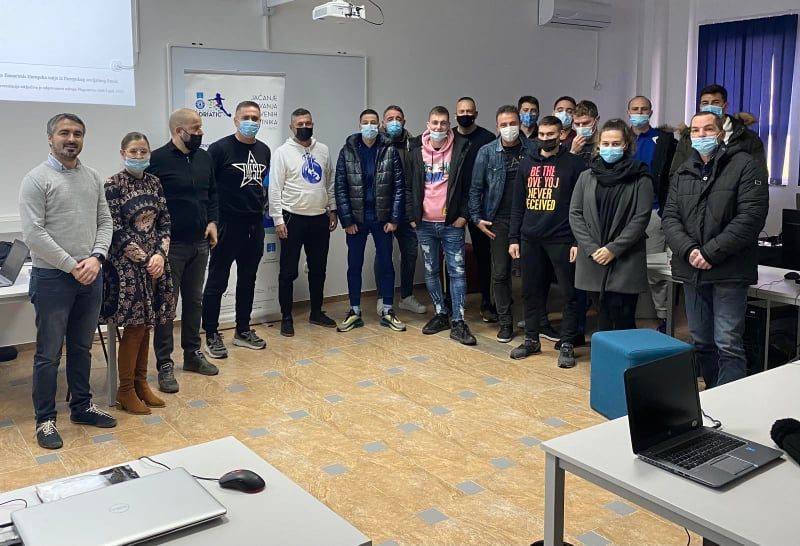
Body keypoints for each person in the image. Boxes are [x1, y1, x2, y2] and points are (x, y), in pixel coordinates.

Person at [19, 113, 117, 449]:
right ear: (50, 138)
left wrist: (97, 257)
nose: (71, 139)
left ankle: (82, 407)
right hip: (52, 278)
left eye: (77, 133)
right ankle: (45, 420)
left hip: (91, 274)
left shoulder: (92, 177)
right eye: (64, 133)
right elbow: (34, 234)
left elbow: (105, 222)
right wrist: (72, 265)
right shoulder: (36, 179)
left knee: (82, 347)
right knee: (48, 354)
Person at [662, 111, 768, 388]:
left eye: (708, 129)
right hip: (691, 269)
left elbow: (751, 217)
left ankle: (731, 403)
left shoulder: (745, 165)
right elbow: (670, 217)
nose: (701, 135)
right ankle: (712, 393)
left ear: (721, 134)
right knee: (701, 340)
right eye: (695, 130)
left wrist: (710, 253)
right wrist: (689, 250)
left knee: (728, 342)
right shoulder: (684, 171)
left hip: (729, 269)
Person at [101, 132, 175, 414]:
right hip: (127, 266)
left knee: (147, 325)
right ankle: (125, 390)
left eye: (143, 151)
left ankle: (141, 384)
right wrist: (145, 259)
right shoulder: (113, 185)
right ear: (123, 153)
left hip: (155, 262)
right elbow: (115, 229)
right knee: (134, 328)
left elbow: (165, 222)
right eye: (133, 151)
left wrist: (159, 255)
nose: (139, 156)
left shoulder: (155, 182)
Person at [148, 108, 220, 392]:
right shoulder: (157, 160)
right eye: (196, 128)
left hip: (200, 243)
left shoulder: (204, 158)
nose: (201, 132)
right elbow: (149, 205)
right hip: (171, 247)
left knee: (194, 301)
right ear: (179, 131)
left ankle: (192, 354)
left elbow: (212, 193)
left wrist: (213, 221)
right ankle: (164, 364)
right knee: (166, 305)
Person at [508, 116, 586, 366]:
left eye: (550, 134)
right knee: (530, 291)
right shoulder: (526, 163)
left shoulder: (575, 164)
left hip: (562, 238)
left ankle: (567, 343)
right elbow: (517, 204)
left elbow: (581, 207)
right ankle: (531, 339)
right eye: (541, 135)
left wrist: (577, 241)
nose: (545, 139)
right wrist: (513, 237)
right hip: (530, 238)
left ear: (561, 135)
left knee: (569, 293)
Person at [202, 101, 270, 359]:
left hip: (254, 225)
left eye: (255, 117)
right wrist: (212, 222)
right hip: (226, 225)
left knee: (248, 280)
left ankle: (242, 330)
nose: (251, 122)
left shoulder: (264, 150)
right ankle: (211, 333)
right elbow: (208, 188)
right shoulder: (219, 149)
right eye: (246, 117)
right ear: (235, 119)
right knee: (217, 280)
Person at [569, 120, 653, 331]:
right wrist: (592, 249)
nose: (610, 148)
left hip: (625, 257)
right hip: (593, 257)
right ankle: (604, 354)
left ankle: (623, 354)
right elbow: (575, 214)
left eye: (616, 143)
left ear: (626, 145)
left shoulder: (640, 177)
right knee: (602, 318)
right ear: (598, 146)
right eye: (605, 144)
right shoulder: (586, 176)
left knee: (623, 319)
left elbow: (641, 218)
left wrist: (613, 249)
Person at [408, 106, 475, 345]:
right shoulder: (414, 150)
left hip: (452, 224)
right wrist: (412, 216)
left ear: (449, 125)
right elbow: (407, 186)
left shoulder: (461, 148)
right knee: (431, 271)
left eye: (443, 123)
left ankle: (459, 320)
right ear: (428, 125)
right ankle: (440, 313)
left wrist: (463, 216)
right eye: (435, 123)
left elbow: (469, 186)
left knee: (457, 272)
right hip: (424, 224)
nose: (439, 127)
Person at [335, 109, 406, 332]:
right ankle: (354, 311)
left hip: (382, 219)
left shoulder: (389, 151)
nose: (369, 126)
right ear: (359, 124)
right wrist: (346, 220)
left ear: (379, 125)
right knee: (354, 265)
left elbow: (399, 187)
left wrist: (394, 218)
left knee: (386, 263)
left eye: (373, 122)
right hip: (356, 220)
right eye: (365, 122)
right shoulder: (347, 151)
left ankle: (388, 310)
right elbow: (340, 187)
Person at [269, 108, 338, 337]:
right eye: (299, 124)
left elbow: (329, 182)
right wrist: (278, 219)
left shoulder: (323, 150)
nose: (304, 127)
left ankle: (316, 311)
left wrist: (332, 209)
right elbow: (275, 188)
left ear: (313, 124)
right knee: (288, 271)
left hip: (319, 218)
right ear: (292, 127)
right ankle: (286, 317)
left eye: (308, 123)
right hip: (292, 218)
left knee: (318, 269)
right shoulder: (282, 152)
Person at [469, 105, 533, 343]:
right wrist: (477, 219)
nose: (509, 128)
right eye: (504, 125)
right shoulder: (486, 152)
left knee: (532, 272)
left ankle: (535, 320)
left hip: (530, 218)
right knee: (500, 273)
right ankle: (505, 322)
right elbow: (475, 188)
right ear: (497, 127)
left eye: (513, 123)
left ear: (520, 123)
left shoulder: (533, 149)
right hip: (499, 221)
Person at [628, 95, 678, 332]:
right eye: (635, 109)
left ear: (651, 111)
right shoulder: (622, 139)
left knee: (656, 269)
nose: (639, 112)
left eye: (643, 109)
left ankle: (664, 318)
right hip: (629, 212)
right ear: (628, 112)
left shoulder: (664, 140)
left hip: (656, 210)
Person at [375, 105, 426, 316]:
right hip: (384, 209)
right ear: (383, 123)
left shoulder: (413, 145)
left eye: (398, 118)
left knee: (410, 253)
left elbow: (417, 177)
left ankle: (406, 296)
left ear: (404, 121)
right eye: (390, 118)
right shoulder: (376, 144)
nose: (394, 122)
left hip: (407, 210)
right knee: (383, 254)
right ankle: (382, 297)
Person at [454, 97, 497, 322]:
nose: (465, 114)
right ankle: (451, 302)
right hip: (453, 207)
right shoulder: (449, 136)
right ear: (455, 114)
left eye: (469, 111)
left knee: (483, 255)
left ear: (476, 114)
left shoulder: (488, 139)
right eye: (461, 111)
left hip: (480, 208)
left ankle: (487, 301)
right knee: (452, 256)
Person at [670, 84, 767, 178]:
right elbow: (675, 175)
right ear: (700, 106)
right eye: (705, 103)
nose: (709, 106)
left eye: (715, 102)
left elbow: (759, 175)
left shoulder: (748, 138)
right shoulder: (687, 138)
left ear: (725, 105)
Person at [570, 100, 599, 165]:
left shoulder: (606, 144)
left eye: (585, 123)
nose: (581, 127)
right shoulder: (569, 146)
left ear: (597, 120)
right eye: (577, 124)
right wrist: (573, 152)